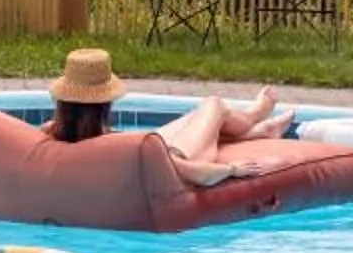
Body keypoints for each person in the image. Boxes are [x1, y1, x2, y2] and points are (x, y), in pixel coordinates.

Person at [43, 50, 295, 185]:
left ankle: (257, 132)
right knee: (213, 105)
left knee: (197, 118)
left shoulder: (51, 132)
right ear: (104, 103)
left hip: (155, 150)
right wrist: (231, 170)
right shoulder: (121, 150)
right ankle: (255, 115)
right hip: (181, 156)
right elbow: (198, 175)